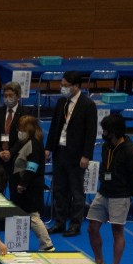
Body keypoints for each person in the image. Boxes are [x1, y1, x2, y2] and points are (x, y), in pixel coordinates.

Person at [88, 112, 133, 264]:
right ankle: (99, 261)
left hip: (120, 195)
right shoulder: (106, 146)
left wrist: (128, 195)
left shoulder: (130, 151)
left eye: (105, 130)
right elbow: (105, 166)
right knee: (92, 228)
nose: (103, 133)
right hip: (104, 192)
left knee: (117, 231)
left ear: (114, 131)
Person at [48, 70, 97, 236]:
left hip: (77, 155)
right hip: (60, 151)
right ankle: (59, 222)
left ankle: (75, 225)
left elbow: (91, 133)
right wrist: (48, 147)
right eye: (61, 85)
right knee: (59, 189)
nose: (62, 88)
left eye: (65, 85)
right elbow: (54, 126)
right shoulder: (62, 102)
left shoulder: (88, 105)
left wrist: (86, 155)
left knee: (76, 192)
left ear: (76, 86)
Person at [9, 114, 54, 249]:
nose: (19, 132)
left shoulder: (34, 144)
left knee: (33, 216)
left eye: (21, 129)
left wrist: (23, 184)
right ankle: (16, 245)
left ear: (28, 130)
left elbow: (32, 167)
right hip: (24, 185)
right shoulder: (27, 142)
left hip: (30, 187)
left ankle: (47, 244)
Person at [0, 81, 22, 172]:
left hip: (16, 156)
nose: (7, 98)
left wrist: (10, 152)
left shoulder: (25, 114)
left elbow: (24, 137)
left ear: (18, 96)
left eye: (11, 95)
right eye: (5, 96)